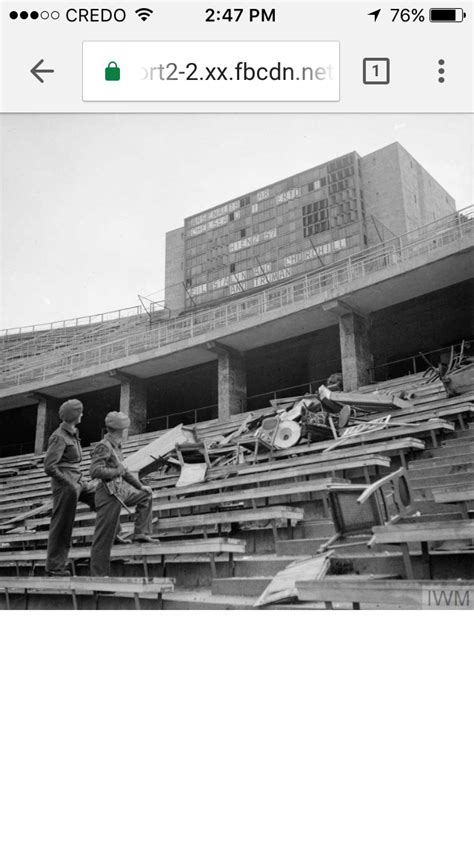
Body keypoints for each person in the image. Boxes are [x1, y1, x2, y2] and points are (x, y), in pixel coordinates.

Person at [89, 411, 157, 577]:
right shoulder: (103, 446)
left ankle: (141, 532)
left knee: (146, 495)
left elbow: (124, 472)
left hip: (120, 492)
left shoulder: (116, 445)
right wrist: (116, 471)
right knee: (103, 539)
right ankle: (99, 577)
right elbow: (95, 471)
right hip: (107, 495)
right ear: (121, 429)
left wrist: (140, 486)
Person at [44, 399, 96, 576]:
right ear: (74, 415)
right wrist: (67, 483)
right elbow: (49, 466)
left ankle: (116, 537)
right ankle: (55, 567)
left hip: (79, 480)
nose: (82, 415)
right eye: (80, 412)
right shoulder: (59, 436)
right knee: (62, 525)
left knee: (105, 500)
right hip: (66, 485)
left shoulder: (73, 433)